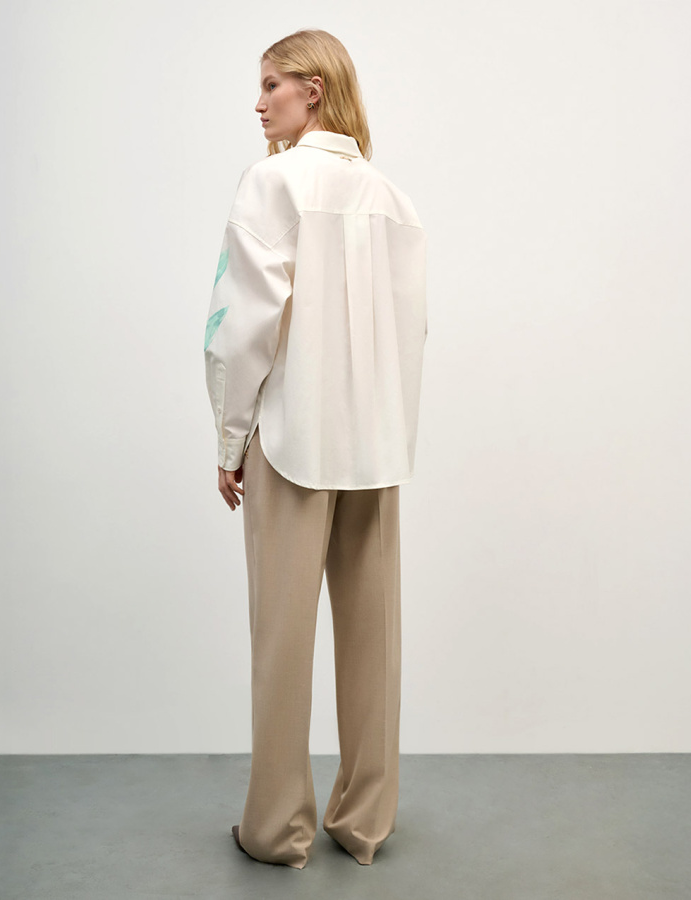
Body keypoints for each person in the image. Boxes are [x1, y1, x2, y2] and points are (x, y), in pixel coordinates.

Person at [203, 29, 427, 869]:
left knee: (281, 643)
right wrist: (392, 429)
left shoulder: (271, 182)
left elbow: (240, 328)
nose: (259, 103)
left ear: (314, 90)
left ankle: (275, 830)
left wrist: (230, 438)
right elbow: (413, 332)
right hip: (376, 446)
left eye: (272, 84)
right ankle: (365, 824)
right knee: (374, 643)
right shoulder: (392, 198)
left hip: (293, 441)